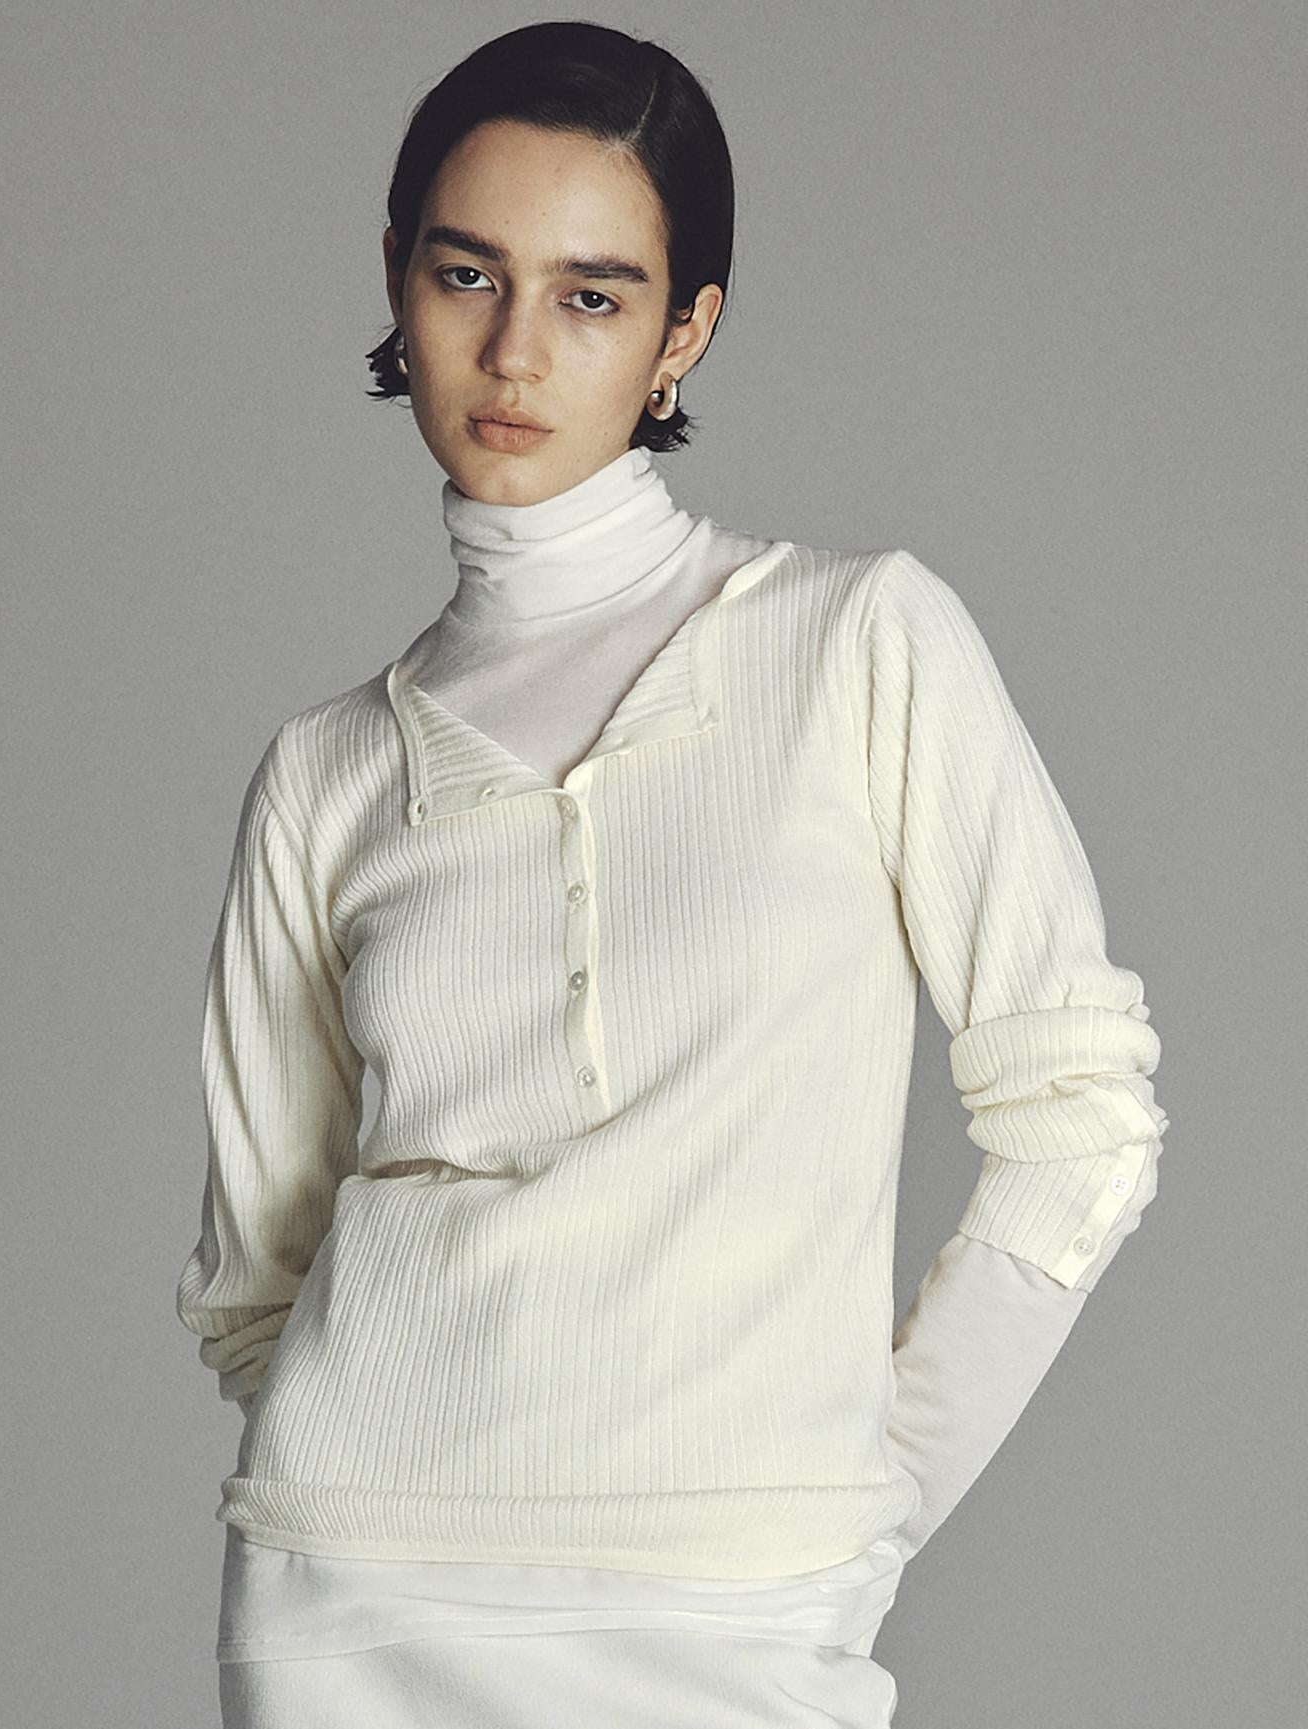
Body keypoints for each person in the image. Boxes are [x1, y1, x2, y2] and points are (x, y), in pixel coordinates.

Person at [176, 23, 1170, 1728]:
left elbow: (1082, 1116)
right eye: (467, 274)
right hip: (355, 1596)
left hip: (745, 1599)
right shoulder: (327, 774)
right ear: (399, 278)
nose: (513, 350)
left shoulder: (860, 643)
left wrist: (860, 1503)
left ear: (683, 333)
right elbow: (258, 1278)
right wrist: (385, 1481)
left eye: (592, 295)